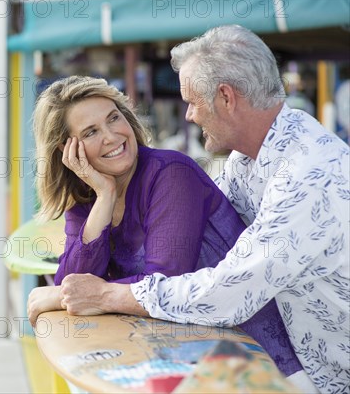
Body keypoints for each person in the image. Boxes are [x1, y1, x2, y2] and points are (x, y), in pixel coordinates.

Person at [47, 26, 349, 393]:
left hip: (328, 374)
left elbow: (230, 290)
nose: (189, 115)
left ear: (226, 97)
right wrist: (104, 199)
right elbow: (206, 237)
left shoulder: (307, 174)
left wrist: (104, 295)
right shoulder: (249, 160)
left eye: (193, 101)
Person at [27, 75, 302, 378]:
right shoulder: (88, 197)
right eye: (91, 131)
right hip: (182, 355)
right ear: (69, 152)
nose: (111, 135)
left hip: (257, 362)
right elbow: (76, 285)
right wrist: (105, 196)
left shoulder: (170, 173)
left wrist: (70, 295)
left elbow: (164, 283)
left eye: (114, 118)